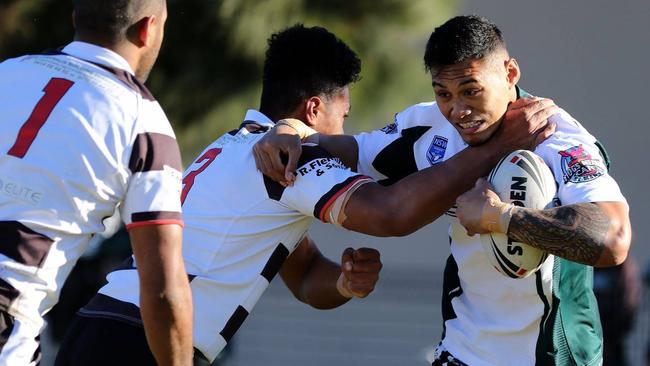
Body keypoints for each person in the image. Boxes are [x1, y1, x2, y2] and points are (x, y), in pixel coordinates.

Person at [55, 23, 554, 365]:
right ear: (315, 108)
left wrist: (345, 283)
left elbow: (305, 276)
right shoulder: (286, 162)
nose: (346, 129)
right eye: (343, 113)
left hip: (102, 325)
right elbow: (391, 213)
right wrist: (500, 146)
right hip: (140, 342)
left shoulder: (233, 147)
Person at [254, 15, 631, 366]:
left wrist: (503, 218)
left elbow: (613, 240)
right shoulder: (430, 126)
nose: (458, 111)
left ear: (510, 72)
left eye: (471, 90)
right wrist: (290, 131)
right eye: (443, 93)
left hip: (550, 357)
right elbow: (353, 151)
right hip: (460, 352)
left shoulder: (560, 141)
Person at [0, 0, 193, 365]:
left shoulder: (7, 72)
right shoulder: (144, 123)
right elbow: (164, 290)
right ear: (149, 29)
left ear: (75, 16)